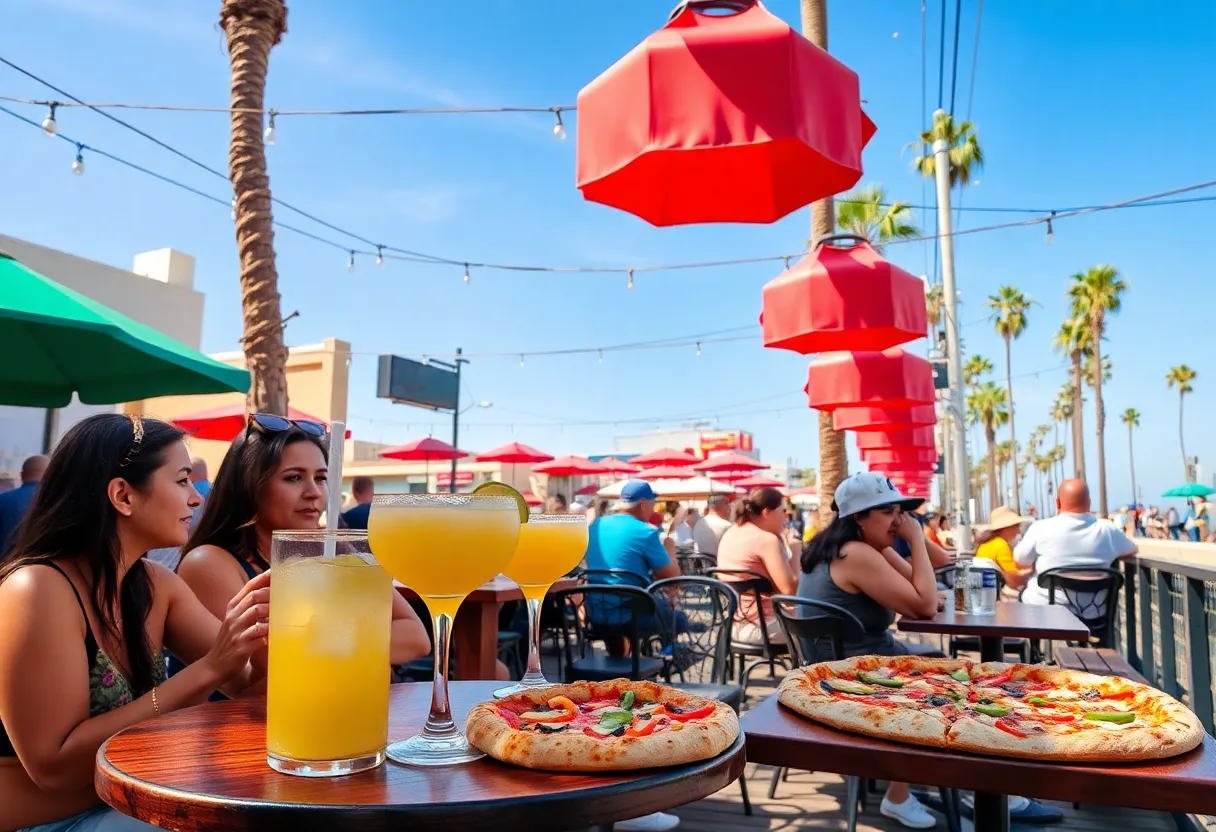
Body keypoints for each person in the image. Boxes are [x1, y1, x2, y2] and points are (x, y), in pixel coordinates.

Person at [0, 414, 269, 832]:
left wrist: (273, 631)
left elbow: (251, 688)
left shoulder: (156, 584)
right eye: (182, 481)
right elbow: (52, 769)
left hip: (137, 808)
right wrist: (210, 668)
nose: (196, 499)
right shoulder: (36, 588)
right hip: (49, 822)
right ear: (123, 495)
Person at [174, 414, 430, 686]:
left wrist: (331, 639)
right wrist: (359, 642)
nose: (314, 492)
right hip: (240, 725)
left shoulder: (337, 552)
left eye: (320, 478)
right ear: (250, 485)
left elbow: (416, 637)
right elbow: (265, 679)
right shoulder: (210, 563)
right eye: (294, 477)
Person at [797, 472, 943, 828]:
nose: (899, 520)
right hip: (855, 677)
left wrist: (906, 544)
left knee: (938, 664)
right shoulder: (856, 553)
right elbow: (924, 606)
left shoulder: (849, 547)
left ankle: (927, 777)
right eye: (888, 512)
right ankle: (900, 794)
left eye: (901, 512)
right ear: (858, 518)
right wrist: (918, 540)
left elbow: (919, 587)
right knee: (947, 682)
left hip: (841, 666)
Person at [1014, 479, 1137, 605]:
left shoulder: (1041, 528)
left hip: (1044, 615)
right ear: (1088, 503)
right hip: (1093, 616)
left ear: (1057, 503)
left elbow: (1020, 559)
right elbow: (1132, 548)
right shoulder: (1107, 529)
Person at [716, 487, 800, 645]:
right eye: (783, 511)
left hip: (734, 622)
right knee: (830, 624)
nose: (786, 519)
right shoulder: (766, 540)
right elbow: (791, 594)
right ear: (767, 512)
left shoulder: (731, 532)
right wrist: (795, 550)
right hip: (762, 626)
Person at [974, 506, 1033, 590]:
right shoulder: (1001, 545)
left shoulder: (985, 544)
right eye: (1017, 526)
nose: (1019, 531)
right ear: (1006, 528)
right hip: (1001, 597)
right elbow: (1013, 581)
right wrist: (1033, 571)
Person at [0, 455, 47, 554]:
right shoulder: (58, 503)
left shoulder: (3, 499)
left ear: (22, 475)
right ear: (50, 475)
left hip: (5, 565)